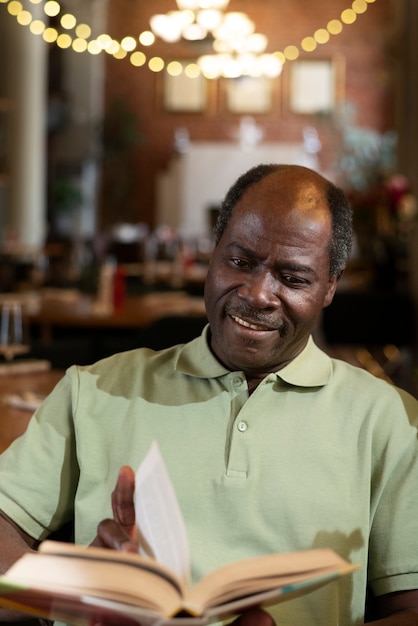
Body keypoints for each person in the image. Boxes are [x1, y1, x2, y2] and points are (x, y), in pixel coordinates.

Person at [0, 163, 418, 626]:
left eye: (294, 278)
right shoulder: (93, 389)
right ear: (213, 254)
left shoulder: (389, 421)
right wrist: (71, 590)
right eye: (240, 262)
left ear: (330, 287)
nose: (258, 294)